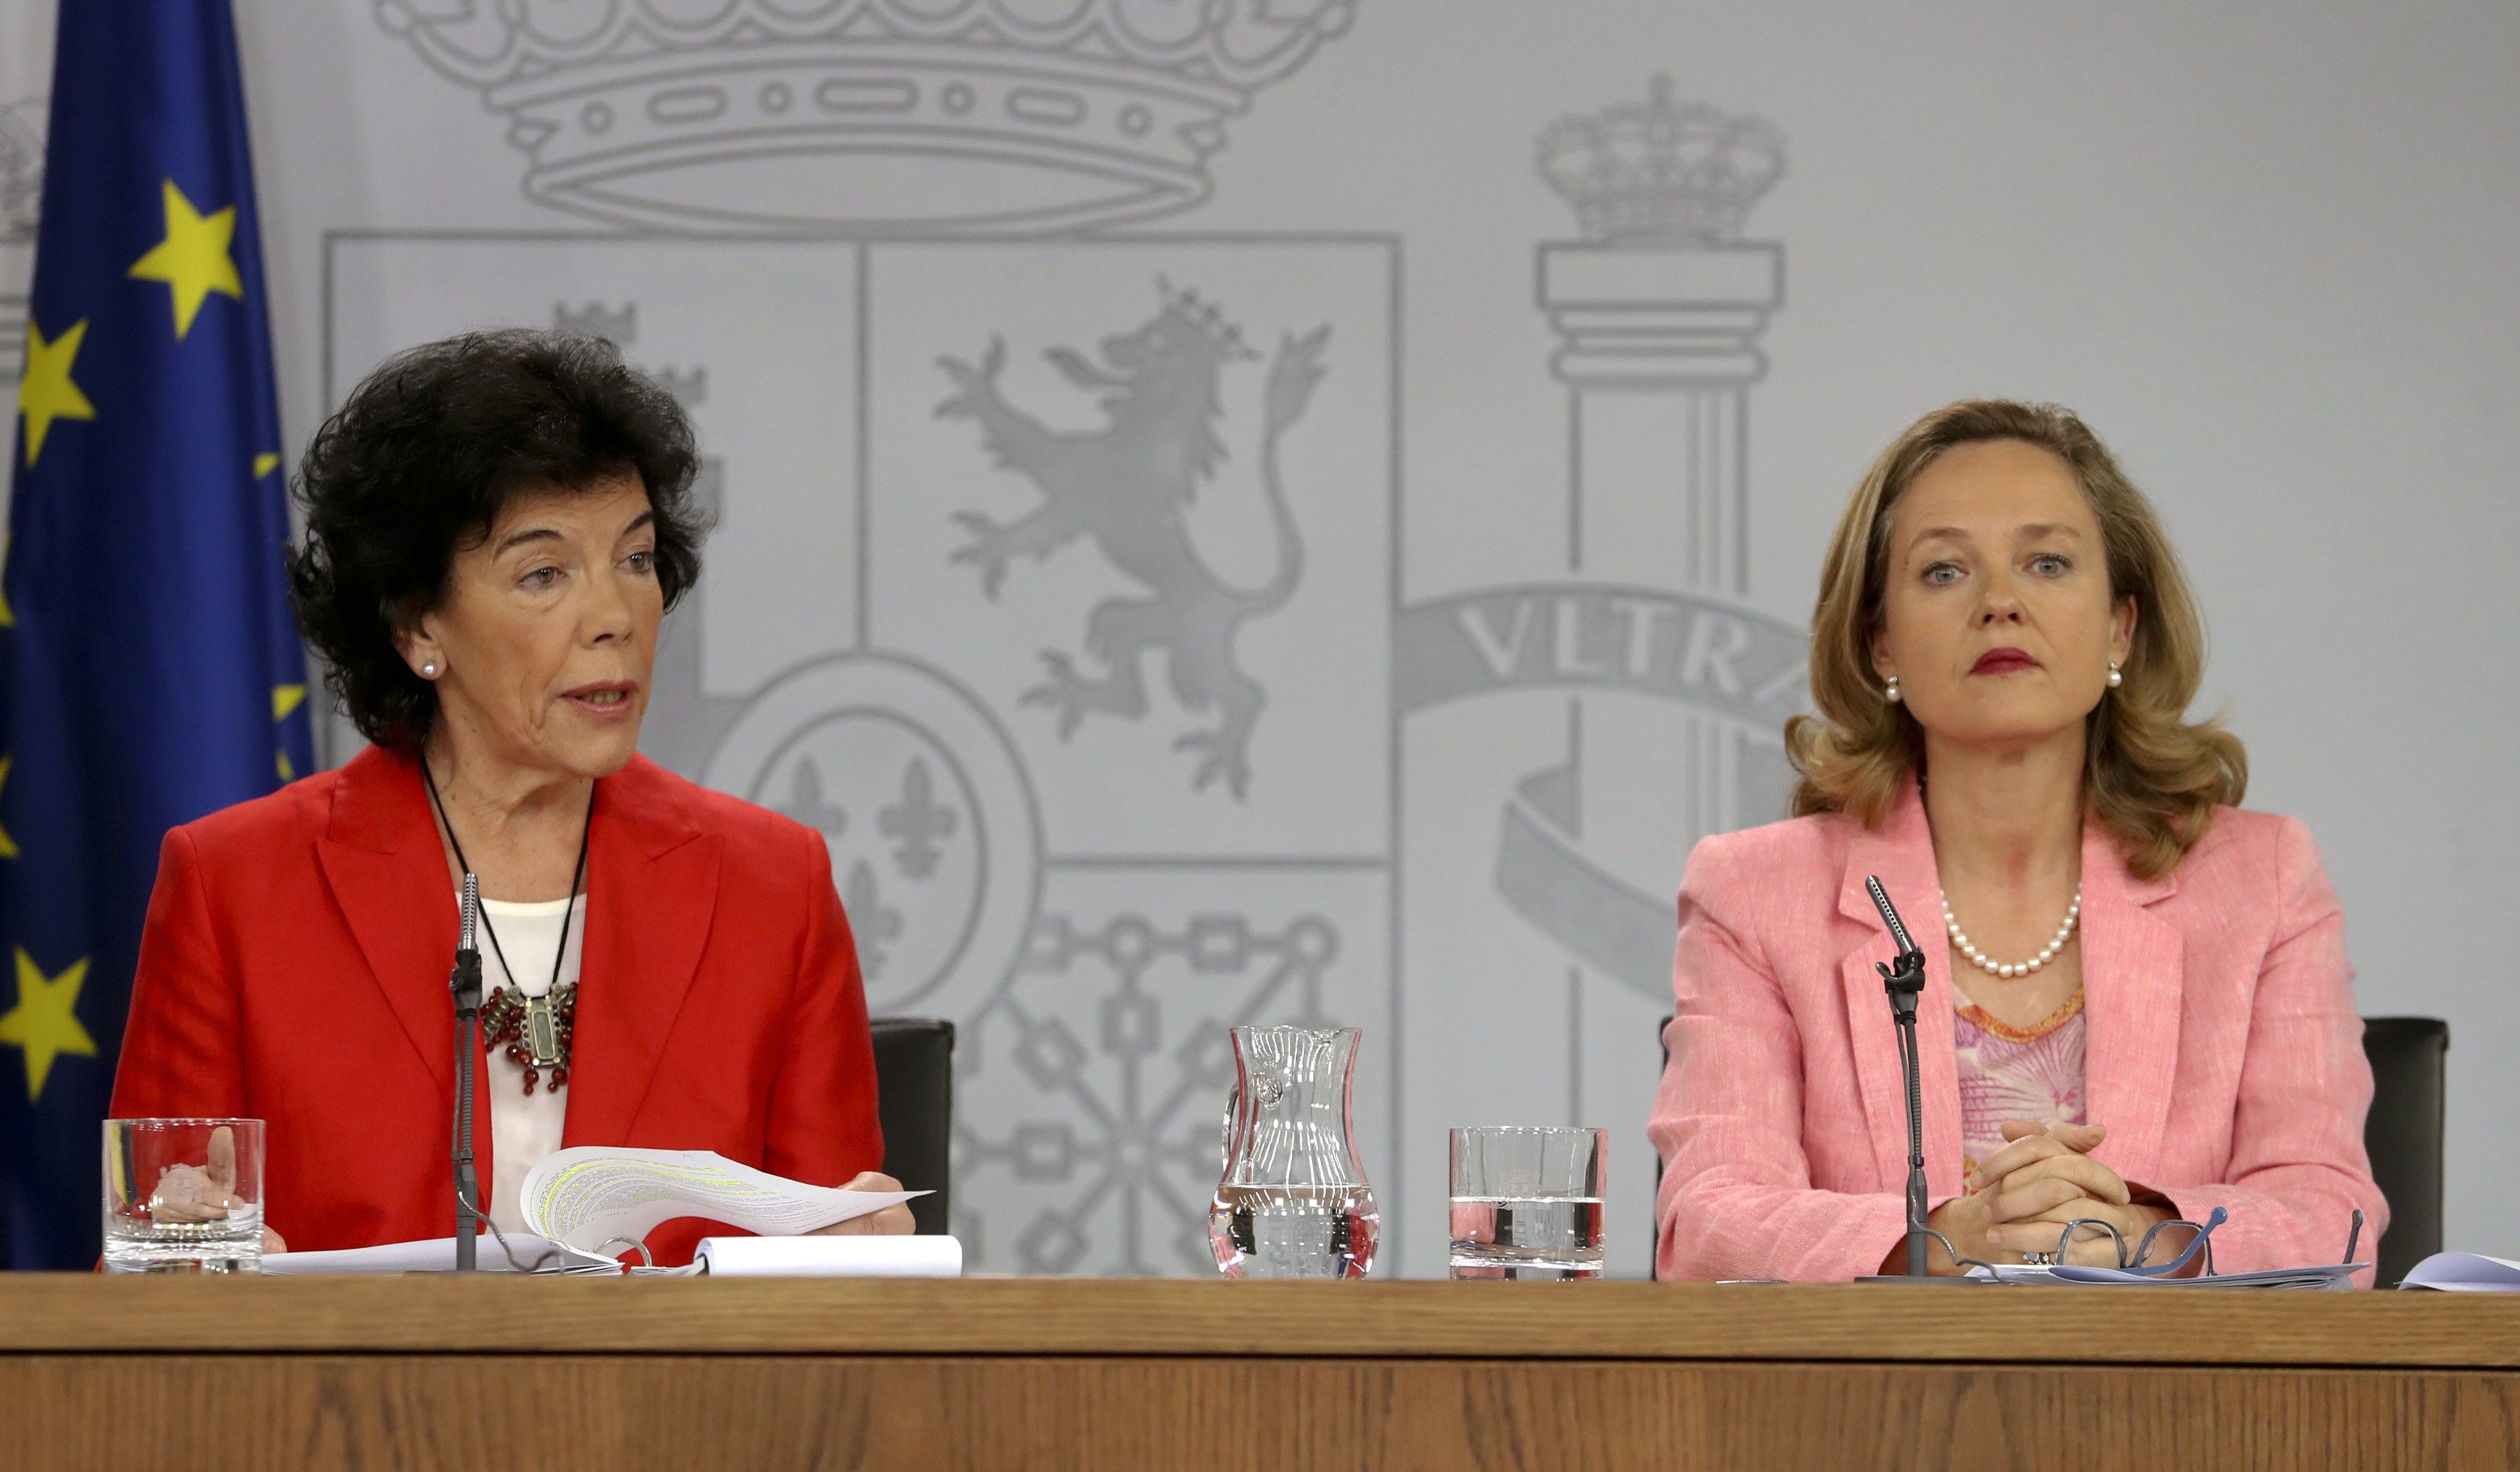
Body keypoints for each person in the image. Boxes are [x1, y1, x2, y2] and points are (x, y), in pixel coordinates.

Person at [109, 329, 913, 1262]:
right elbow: (148, 1262)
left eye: (637, 559)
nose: (614, 618)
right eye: (544, 574)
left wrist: (868, 1255)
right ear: (418, 624)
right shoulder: (235, 888)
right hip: (349, 1407)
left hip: (681, 1410)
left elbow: (839, 1275)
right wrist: (198, 1274)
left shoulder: (771, 886)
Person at [1649, 400, 2382, 1281]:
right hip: (1864, 1411)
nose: (2001, 603)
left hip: (2182, 1410)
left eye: (2047, 562)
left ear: (2120, 624)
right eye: (1946, 572)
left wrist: (2142, 1239)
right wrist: (1947, 1238)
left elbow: (2330, 1214)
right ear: (1880, 641)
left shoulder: (2262, 879)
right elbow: (1709, 1222)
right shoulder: (1755, 890)